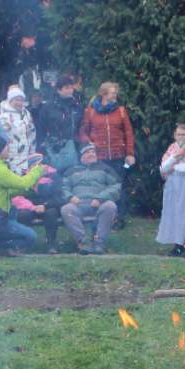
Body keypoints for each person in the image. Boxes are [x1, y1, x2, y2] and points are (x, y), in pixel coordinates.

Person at [77, 81, 136, 222]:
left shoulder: (121, 111)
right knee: (100, 187)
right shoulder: (90, 111)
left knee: (118, 187)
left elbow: (129, 133)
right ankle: (101, 217)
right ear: (103, 94)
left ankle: (119, 218)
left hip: (118, 156)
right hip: (99, 157)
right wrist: (90, 143)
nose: (115, 95)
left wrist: (130, 153)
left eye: (116, 93)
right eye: (112, 93)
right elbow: (82, 132)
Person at [58, 143, 122, 254]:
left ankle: (99, 243)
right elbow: (62, 187)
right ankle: (84, 242)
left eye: (93, 152)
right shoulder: (71, 171)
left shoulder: (105, 169)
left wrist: (100, 198)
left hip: (99, 204)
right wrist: (70, 197)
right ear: (81, 156)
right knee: (66, 209)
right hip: (77, 205)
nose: (92, 154)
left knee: (110, 206)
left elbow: (116, 185)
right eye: (88, 152)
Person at [157, 123, 185, 256]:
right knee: (173, 214)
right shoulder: (172, 149)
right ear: (175, 135)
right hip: (172, 185)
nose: (181, 137)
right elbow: (163, 168)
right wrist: (176, 156)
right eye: (178, 134)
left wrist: (175, 168)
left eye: (184, 134)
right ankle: (176, 245)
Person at [35, 75, 82, 172]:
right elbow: (41, 129)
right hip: (54, 149)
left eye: (71, 88)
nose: (70, 91)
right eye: (66, 88)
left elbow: (81, 126)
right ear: (58, 90)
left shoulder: (77, 106)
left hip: (74, 148)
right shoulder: (48, 107)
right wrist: (42, 146)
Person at [0, 85, 37, 174]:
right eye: (16, 100)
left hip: (27, 156)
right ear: (10, 100)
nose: (19, 103)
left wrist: (33, 152)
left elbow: (33, 133)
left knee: (27, 182)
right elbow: (1, 140)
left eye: (21, 100)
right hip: (12, 157)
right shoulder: (3, 117)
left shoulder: (27, 114)